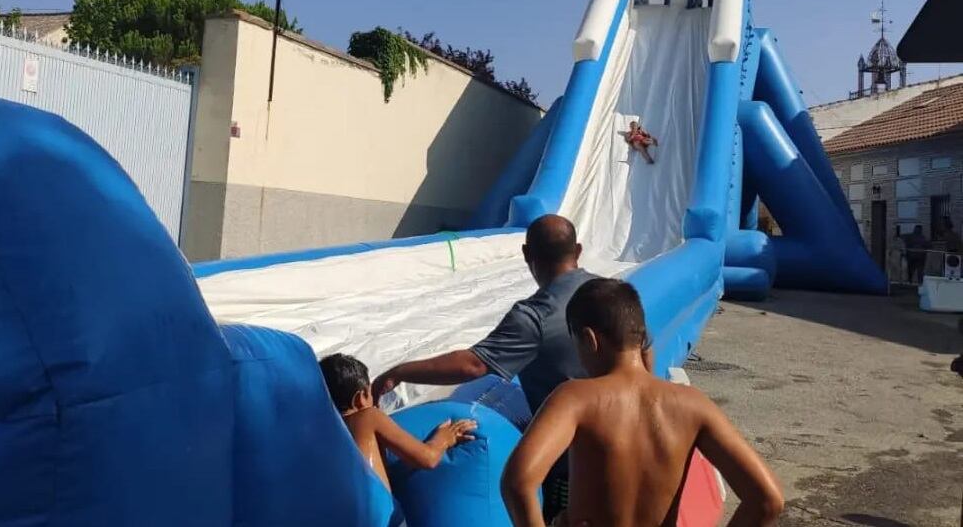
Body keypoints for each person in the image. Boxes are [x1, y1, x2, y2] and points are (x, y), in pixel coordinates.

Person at [501, 278, 784, 527]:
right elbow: (767, 499)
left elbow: (518, 482)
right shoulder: (693, 405)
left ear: (589, 339)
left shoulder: (576, 398)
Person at [371, 214, 597, 521]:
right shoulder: (615, 295)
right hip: (627, 440)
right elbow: (646, 355)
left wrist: (398, 372)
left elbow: (473, 365)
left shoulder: (536, 316)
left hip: (573, 459)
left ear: (527, 254)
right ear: (579, 250)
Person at [319, 353, 476, 491]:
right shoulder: (368, 417)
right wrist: (445, 438)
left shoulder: (317, 431)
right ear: (361, 398)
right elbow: (428, 459)